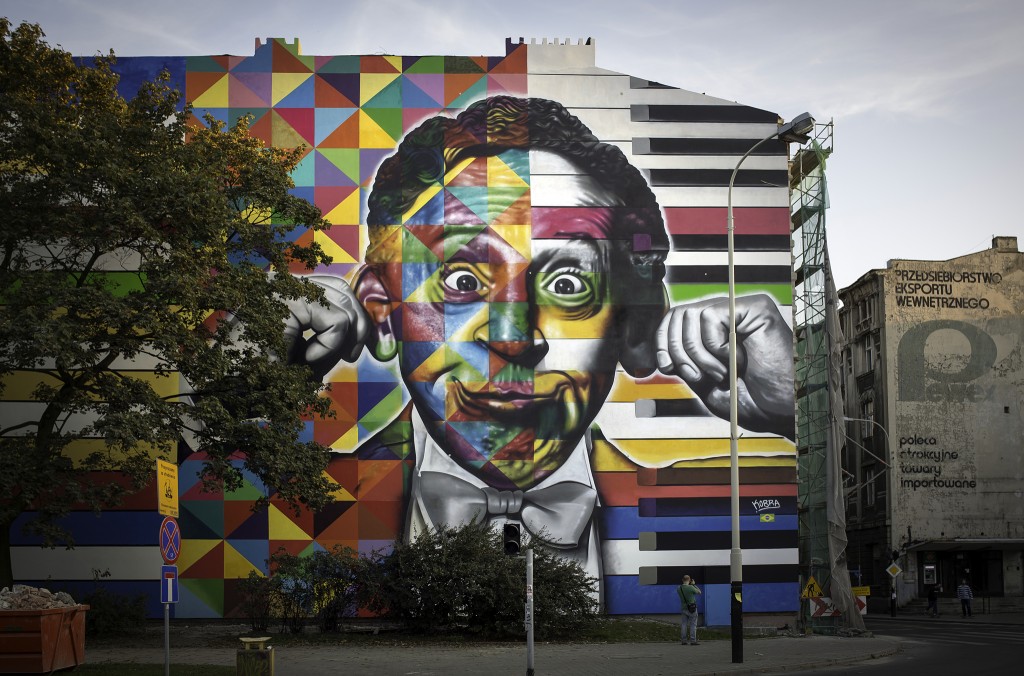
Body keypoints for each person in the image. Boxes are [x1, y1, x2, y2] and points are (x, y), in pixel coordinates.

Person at [283, 95, 795, 602]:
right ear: (382, 313)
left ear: (635, 327)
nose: (514, 338)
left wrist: (792, 409)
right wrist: (244, 369)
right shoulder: (295, 511)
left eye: (568, 285)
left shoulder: (697, 515)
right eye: (462, 281)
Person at [677, 575, 702, 645]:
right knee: (693, 624)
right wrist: (694, 585)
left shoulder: (679, 588)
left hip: (683, 608)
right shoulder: (691, 587)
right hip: (692, 608)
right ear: (689, 580)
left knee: (684, 624)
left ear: (682, 580)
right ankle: (693, 641)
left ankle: (684, 641)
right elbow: (699, 592)